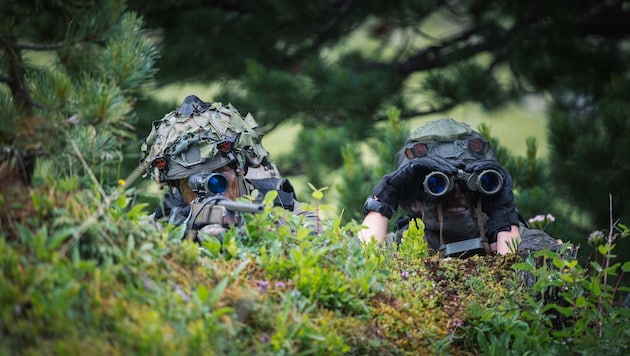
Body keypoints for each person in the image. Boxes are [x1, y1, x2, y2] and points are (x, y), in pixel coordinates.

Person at [359, 118, 561, 258]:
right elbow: (359, 263)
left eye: (466, 185)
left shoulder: (529, 244)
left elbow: (525, 275)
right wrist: (385, 197)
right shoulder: (399, 248)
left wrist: (503, 216)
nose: (456, 194)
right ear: (415, 200)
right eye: (437, 184)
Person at [140, 95, 315, 242]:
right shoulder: (165, 222)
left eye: (219, 177)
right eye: (191, 182)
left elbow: (315, 233)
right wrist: (178, 235)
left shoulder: (280, 206)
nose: (210, 192)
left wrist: (255, 229)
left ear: (240, 171)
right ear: (176, 186)